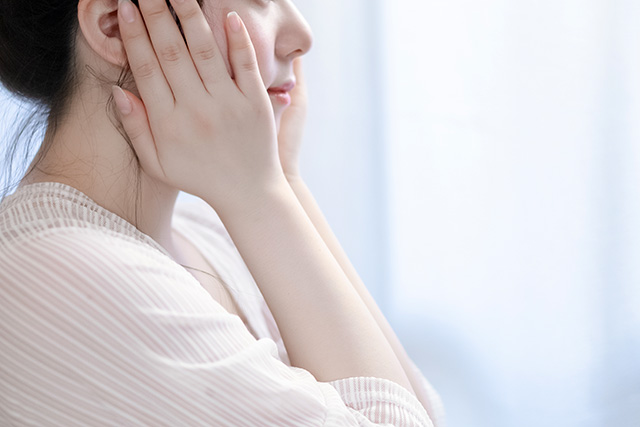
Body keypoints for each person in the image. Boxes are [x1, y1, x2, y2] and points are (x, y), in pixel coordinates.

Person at [0, 0, 445, 425]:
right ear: (114, 24)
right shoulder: (51, 271)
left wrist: (281, 183)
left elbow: (419, 409)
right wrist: (260, 193)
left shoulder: (211, 233)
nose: (302, 36)